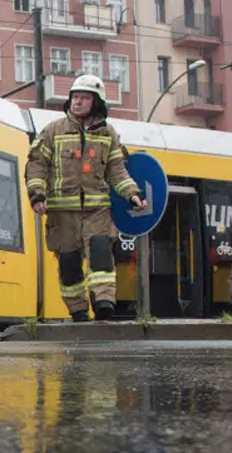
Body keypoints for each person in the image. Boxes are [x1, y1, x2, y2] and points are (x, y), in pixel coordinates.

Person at [24, 74, 145, 322]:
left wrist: (131, 194)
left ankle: (104, 303)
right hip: (61, 212)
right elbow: (36, 165)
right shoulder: (53, 131)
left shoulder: (108, 134)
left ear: (97, 102)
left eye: (84, 98)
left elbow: (117, 170)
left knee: (101, 255)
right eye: (75, 97)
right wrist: (37, 194)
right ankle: (78, 310)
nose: (77, 102)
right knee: (69, 263)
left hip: (97, 209)